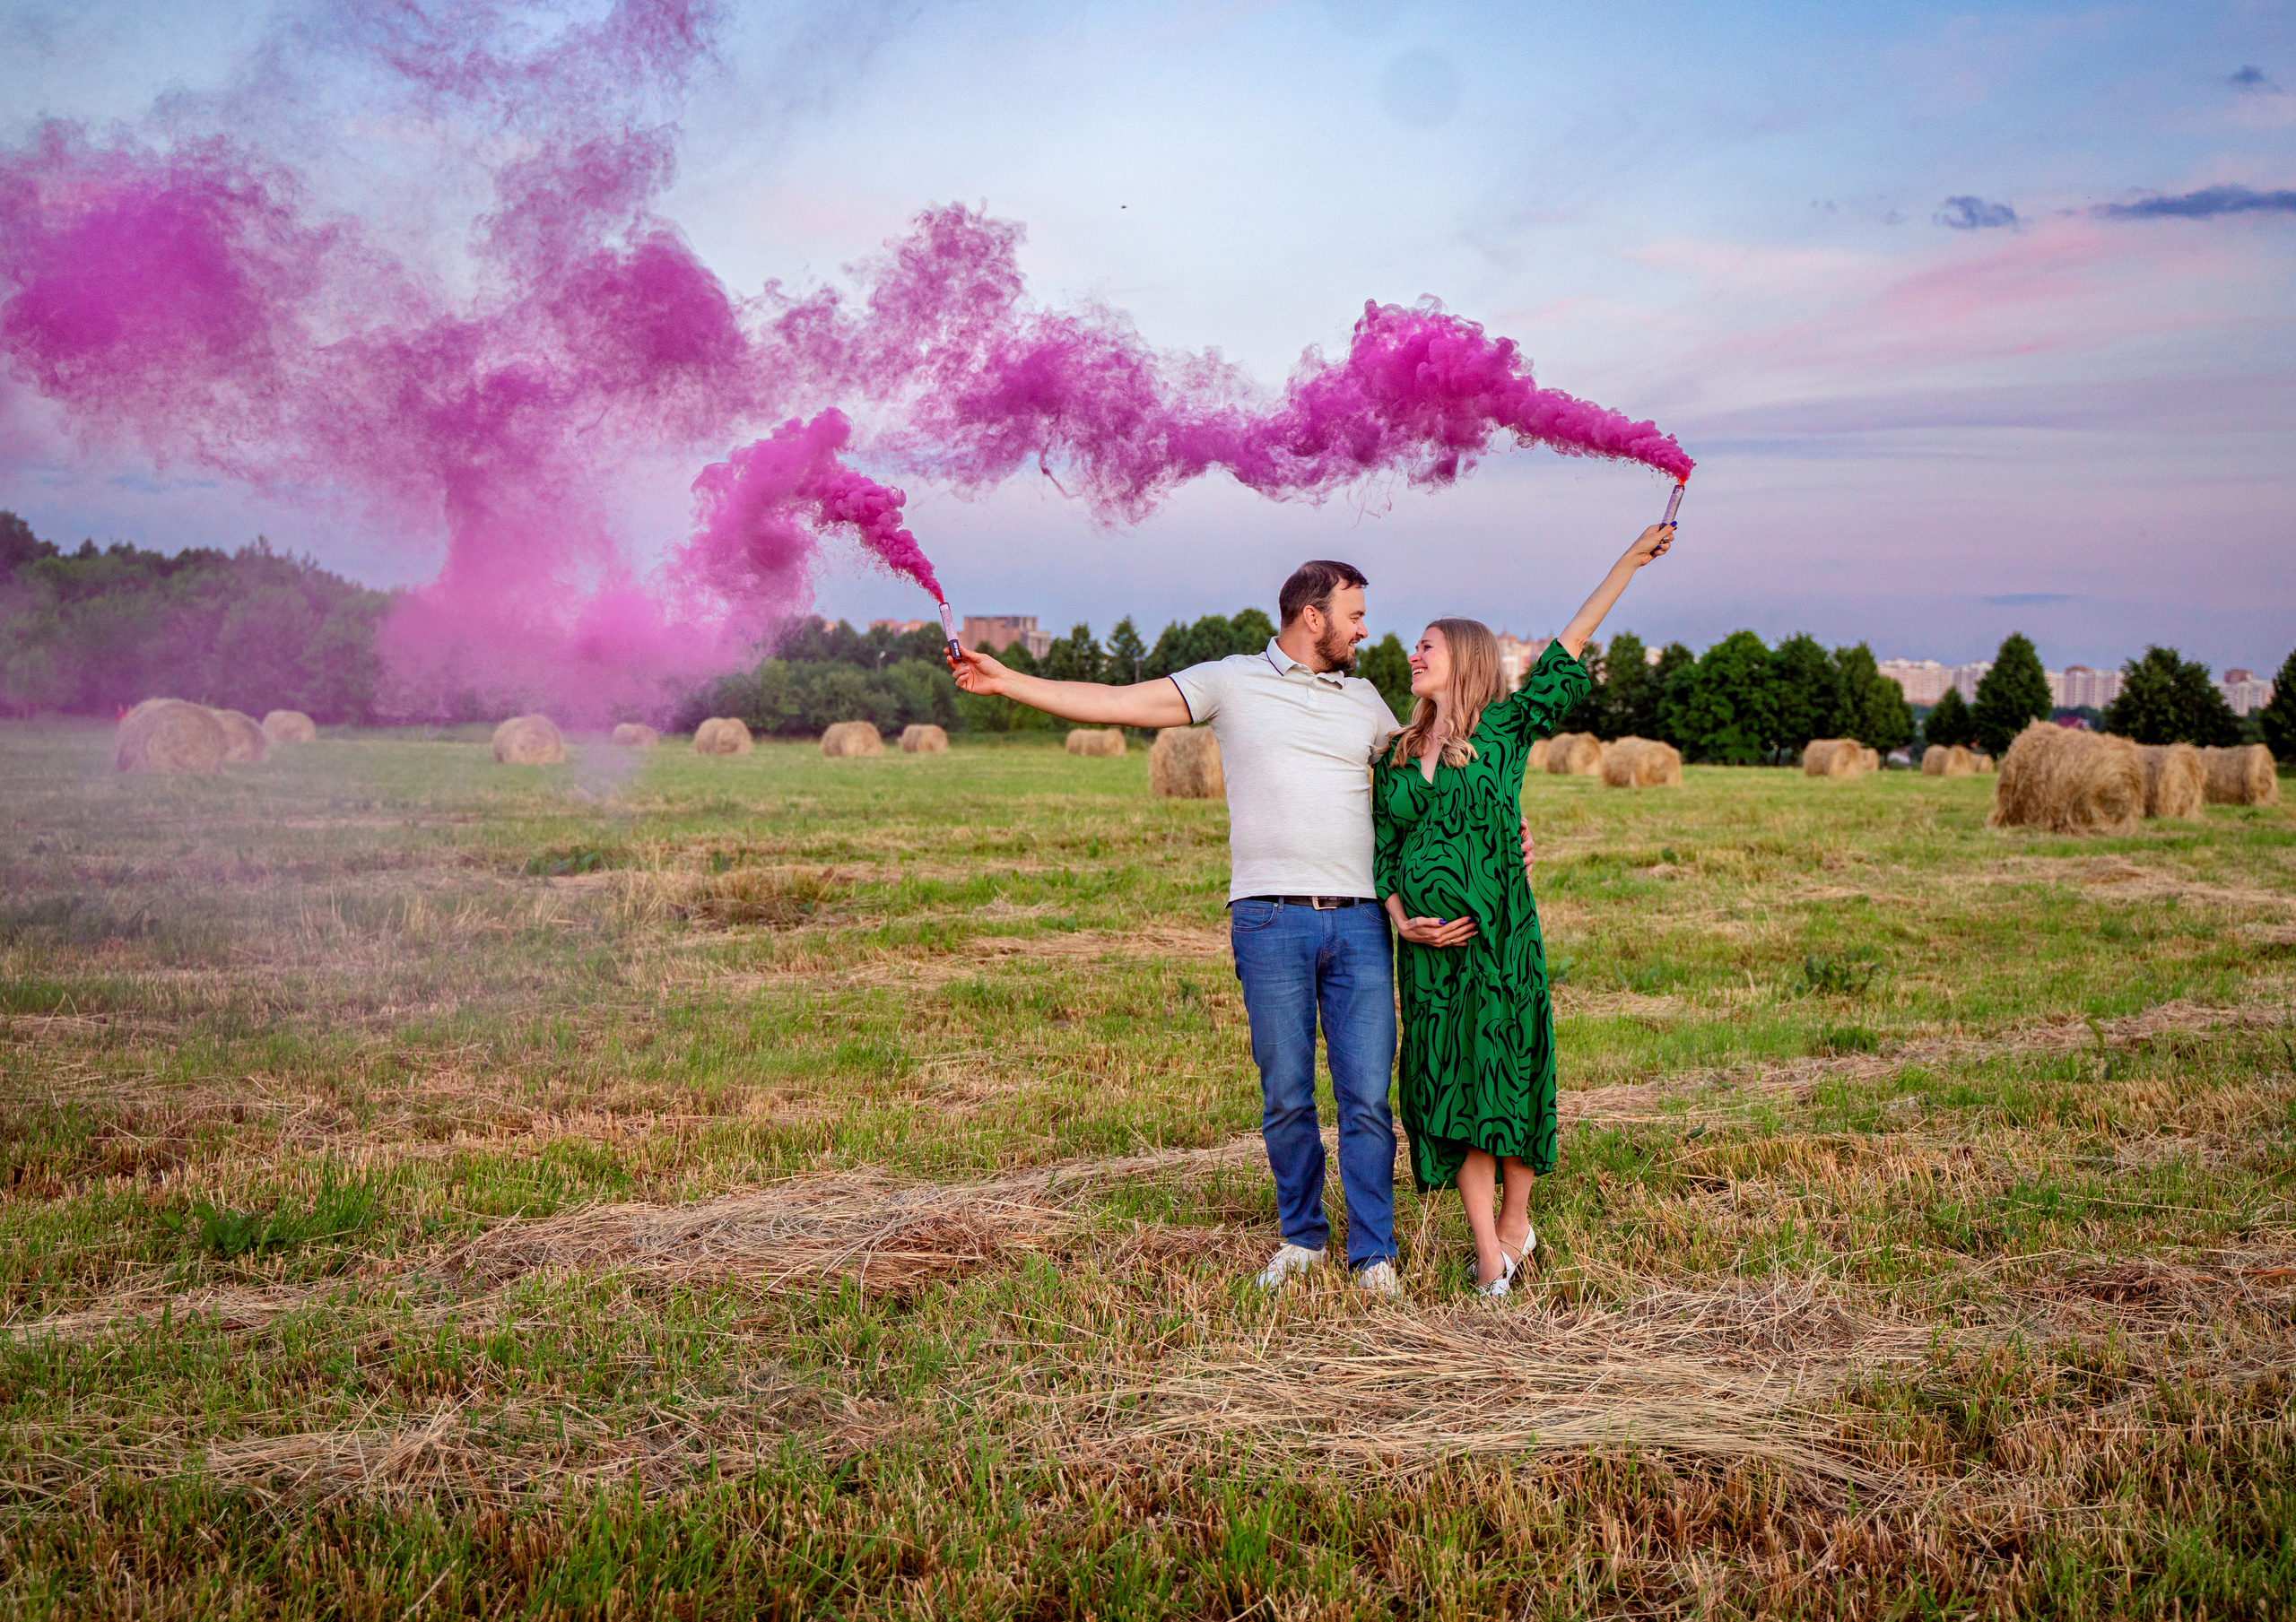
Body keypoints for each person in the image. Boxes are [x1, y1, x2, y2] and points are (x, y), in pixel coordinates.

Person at [952, 560, 1415, 1293]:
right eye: (1354, 614)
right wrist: (1009, 681)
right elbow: (1116, 703)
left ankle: (1374, 1253)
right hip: (1268, 918)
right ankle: (1302, 1238)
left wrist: (1498, 826)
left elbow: (1428, 779)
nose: (1365, 629)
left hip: (1360, 921)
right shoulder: (1231, 681)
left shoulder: (1365, 700)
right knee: (1287, 1093)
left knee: (1368, 1098)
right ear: (1312, 616)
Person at [1373, 524, 1673, 1297]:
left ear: (1466, 660)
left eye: (1428, 646)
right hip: (1429, 958)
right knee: (1450, 1088)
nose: (1414, 654)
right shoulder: (1393, 755)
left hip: (1500, 944)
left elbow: (1568, 648)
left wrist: (1627, 562)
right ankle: (1490, 1250)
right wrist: (1402, 916)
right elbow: (1384, 852)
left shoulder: (1504, 733)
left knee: (1502, 1075)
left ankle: (1513, 1226)